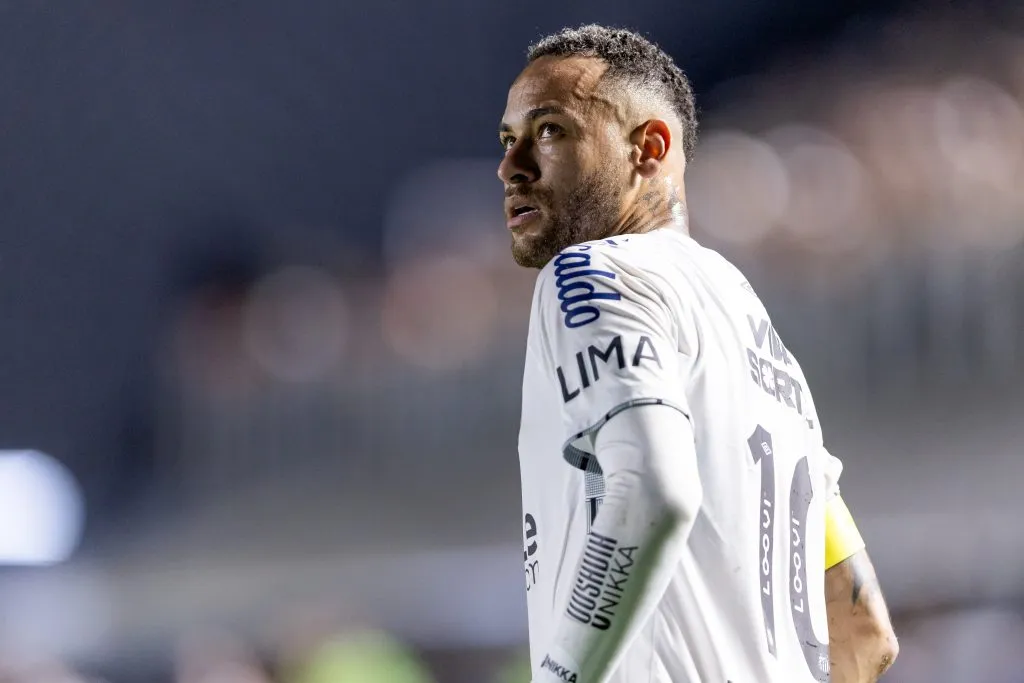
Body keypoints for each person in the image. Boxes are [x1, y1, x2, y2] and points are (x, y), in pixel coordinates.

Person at [500, 24, 899, 683]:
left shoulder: (593, 275)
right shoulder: (767, 353)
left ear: (649, 147)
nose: (512, 166)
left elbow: (653, 489)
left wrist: (561, 676)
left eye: (548, 131)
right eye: (508, 139)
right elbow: (864, 631)